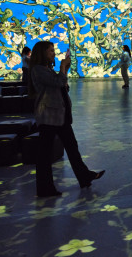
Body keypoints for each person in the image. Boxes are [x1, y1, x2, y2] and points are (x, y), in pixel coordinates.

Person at [28, 41, 105, 197]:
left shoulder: (47, 69)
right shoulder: (38, 70)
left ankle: (84, 177)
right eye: (51, 51)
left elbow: (62, 85)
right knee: (45, 154)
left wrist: (65, 69)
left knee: (72, 147)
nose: (54, 53)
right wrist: (63, 67)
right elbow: (57, 82)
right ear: (42, 53)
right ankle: (45, 188)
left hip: (60, 115)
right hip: (49, 117)